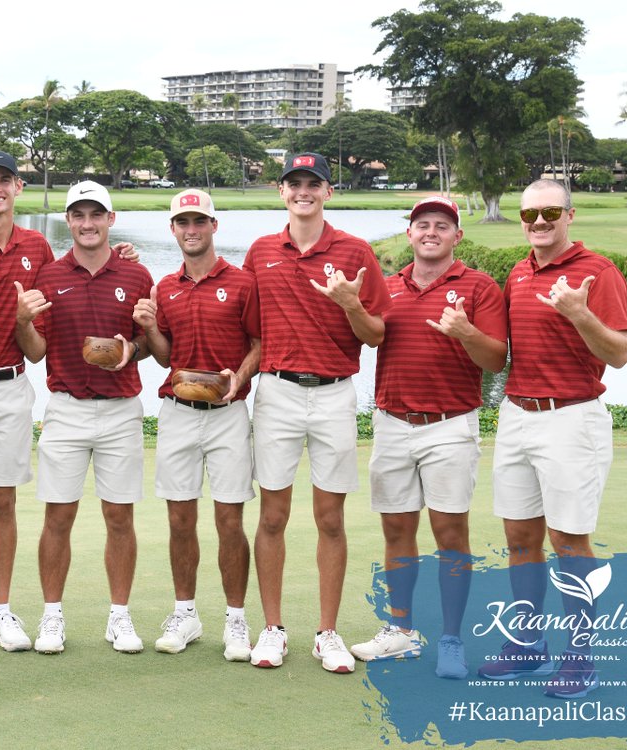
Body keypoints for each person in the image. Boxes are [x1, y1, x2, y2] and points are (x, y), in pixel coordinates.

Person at [0, 151, 136, 654]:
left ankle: (1, 610)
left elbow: (72, 272)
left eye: (5, 179)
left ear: (18, 187)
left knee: (4, 500)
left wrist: (123, 257)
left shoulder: (36, 246)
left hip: (12, 384)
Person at [477, 179, 627, 699]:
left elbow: (619, 354)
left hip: (571, 418)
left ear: (569, 215)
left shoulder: (598, 272)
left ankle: (580, 658)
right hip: (516, 415)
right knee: (520, 538)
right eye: (529, 215)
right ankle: (527, 645)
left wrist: (579, 313)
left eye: (549, 213)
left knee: (568, 541)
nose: (538, 222)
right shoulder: (519, 273)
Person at [242, 153, 392, 672]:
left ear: (328, 191)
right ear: (281, 191)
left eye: (313, 183)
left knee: (330, 518)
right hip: (277, 391)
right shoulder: (261, 251)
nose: (303, 191)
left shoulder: (355, 251)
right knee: (272, 515)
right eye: (294, 183)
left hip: (334, 394)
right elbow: (250, 329)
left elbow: (376, 334)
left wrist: (351, 302)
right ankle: (273, 629)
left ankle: (327, 633)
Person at [348, 197, 507, 679]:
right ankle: (401, 631)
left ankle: (452, 640)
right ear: (410, 234)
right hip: (393, 424)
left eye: (442, 225)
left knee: (450, 533)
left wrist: (465, 332)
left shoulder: (479, 286)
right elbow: (367, 336)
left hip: (450, 425)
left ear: (458, 235)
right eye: (422, 224)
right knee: (397, 531)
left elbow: (496, 360)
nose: (431, 232)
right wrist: (350, 303)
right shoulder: (388, 287)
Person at [14, 181, 154, 654]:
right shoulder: (50, 275)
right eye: (79, 215)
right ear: (69, 221)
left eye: (96, 214)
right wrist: (21, 321)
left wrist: (132, 349)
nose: (87, 223)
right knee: (58, 516)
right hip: (66, 408)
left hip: (121, 410)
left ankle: (120, 617)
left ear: (110, 219)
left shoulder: (137, 274)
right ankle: (52, 616)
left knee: (119, 516)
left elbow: (149, 341)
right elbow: (36, 352)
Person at [131, 189, 262, 661]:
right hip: (178, 414)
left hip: (228, 415)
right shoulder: (165, 287)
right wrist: (150, 328)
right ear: (173, 230)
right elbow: (165, 356)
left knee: (229, 520)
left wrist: (239, 377)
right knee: (179, 519)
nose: (191, 230)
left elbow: (259, 343)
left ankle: (236, 620)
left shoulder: (243, 283)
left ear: (213, 226)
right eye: (183, 223)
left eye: (199, 221)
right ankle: (185, 614)